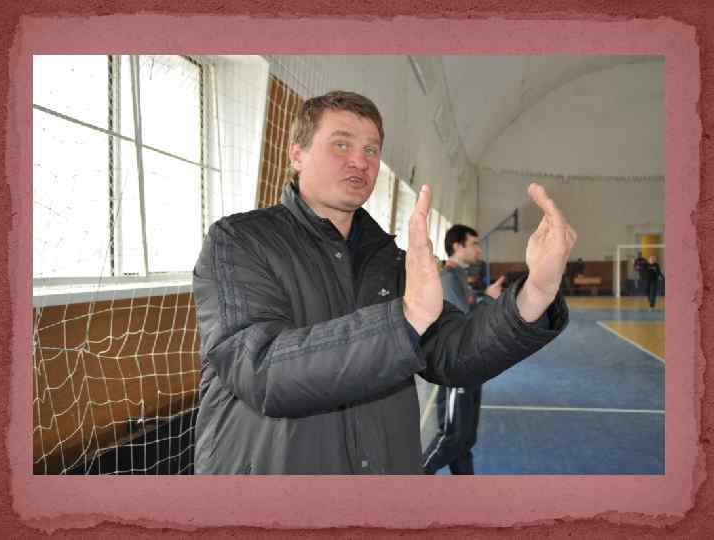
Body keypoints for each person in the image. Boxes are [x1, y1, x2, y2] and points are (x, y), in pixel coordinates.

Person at [191, 90, 577, 474]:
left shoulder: (389, 261)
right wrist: (405, 319)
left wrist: (536, 292)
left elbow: (454, 353)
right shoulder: (239, 242)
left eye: (371, 150)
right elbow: (259, 369)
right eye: (341, 144)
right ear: (297, 155)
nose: (360, 160)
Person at [422, 225, 505, 475]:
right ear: (457, 246)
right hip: (456, 368)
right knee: (453, 437)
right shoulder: (448, 278)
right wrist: (488, 299)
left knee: (465, 440)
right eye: (474, 244)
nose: (479, 249)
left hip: (470, 366)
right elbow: (461, 326)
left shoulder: (459, 277)